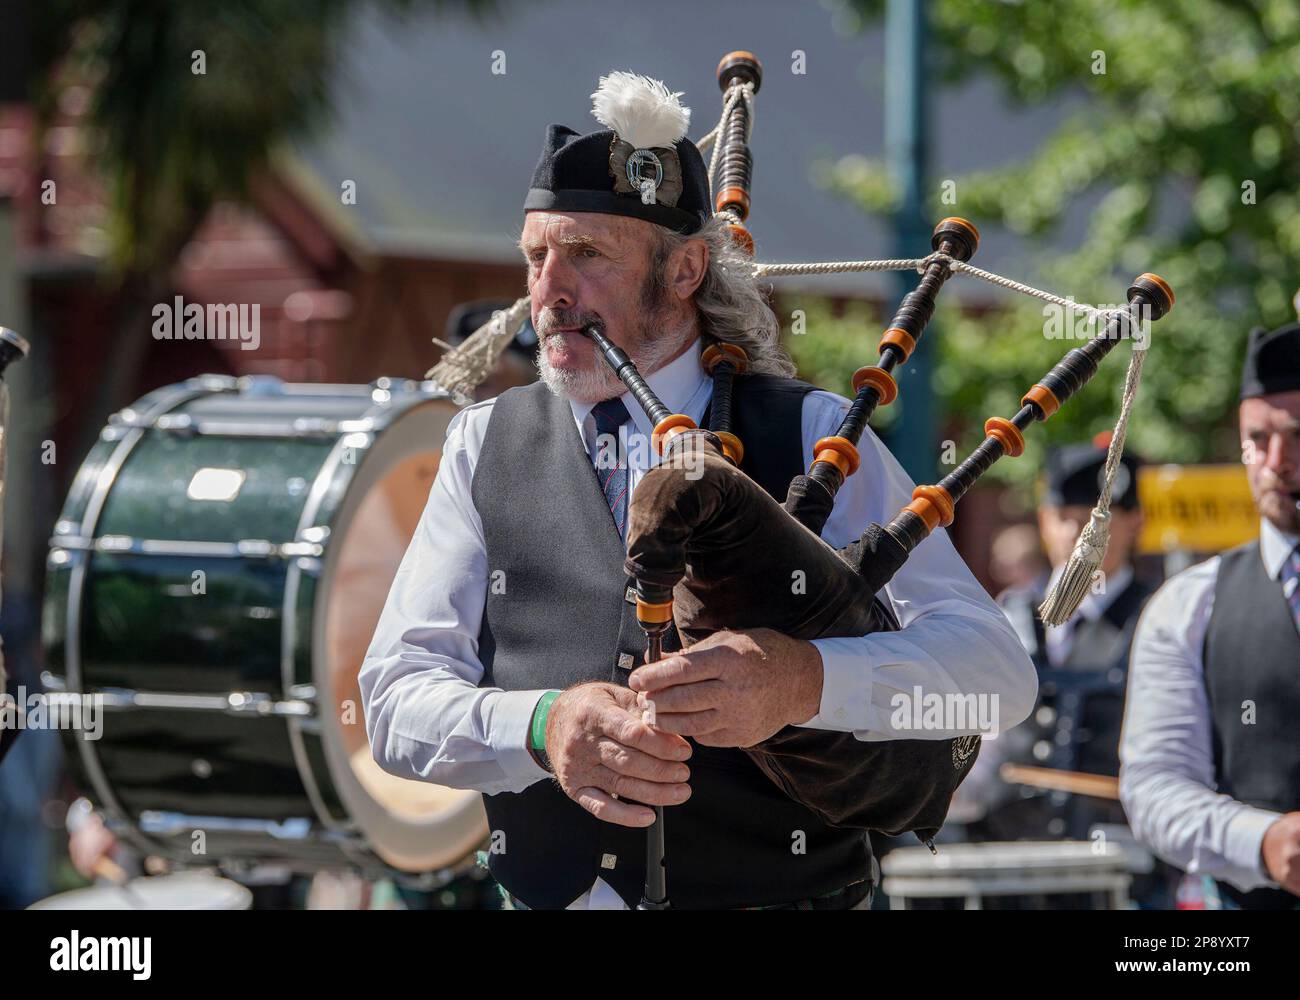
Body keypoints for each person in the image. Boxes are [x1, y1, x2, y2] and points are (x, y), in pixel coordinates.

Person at [359, 71, 1036, 910]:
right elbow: (392, 701)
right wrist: (541, 726)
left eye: (586, 254)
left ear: (683, 269)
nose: (547, 291)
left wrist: (806, 680)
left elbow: (998, 676)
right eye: (536, 255)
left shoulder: (810, 432)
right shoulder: (483, 442)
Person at [1121, 322, 1300, 909]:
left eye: (1297, 436)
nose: (1277, 462)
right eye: (1258, 438)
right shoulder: (1189, 605)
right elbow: (1154, 787)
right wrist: (1265, 839)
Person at [967, 438, 1153, 845]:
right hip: (1005, 856)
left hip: (1121, 860)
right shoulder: (1008, 617)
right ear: (1043, 518)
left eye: (1093, 521)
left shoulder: (1158, 618)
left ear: (1135, 521)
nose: (1075, 534)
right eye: (1062, 516)